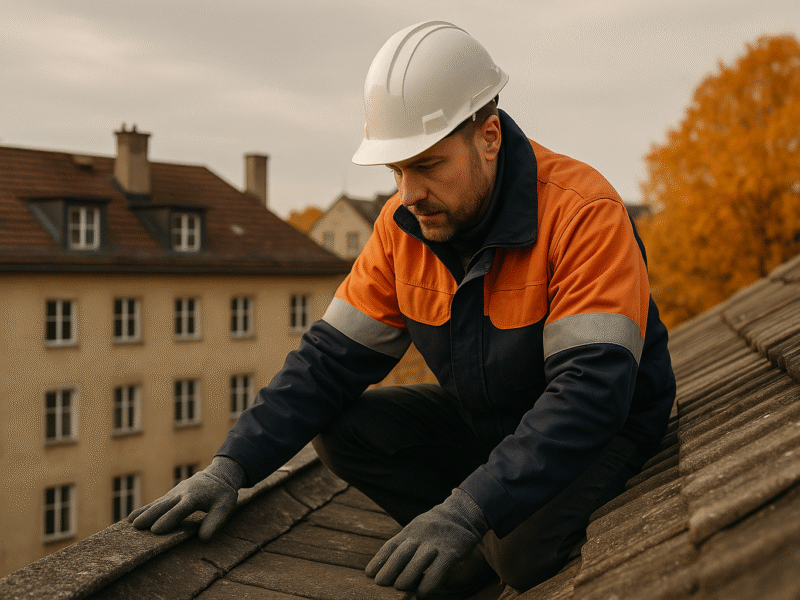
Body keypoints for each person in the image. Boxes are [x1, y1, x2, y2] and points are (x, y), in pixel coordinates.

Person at [130, 21, 676, 599]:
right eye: (397, 171)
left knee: (520, 552)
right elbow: (326, 364)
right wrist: (230, 467)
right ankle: (464, 553)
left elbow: (592, 394)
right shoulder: (402, 229)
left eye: (427, 165)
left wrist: (467, 510)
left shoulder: (582, 213)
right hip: (491, 417)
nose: (408, 193)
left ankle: (479, 538)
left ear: (489, 137)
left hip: (599, 428)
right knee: (344, 426)